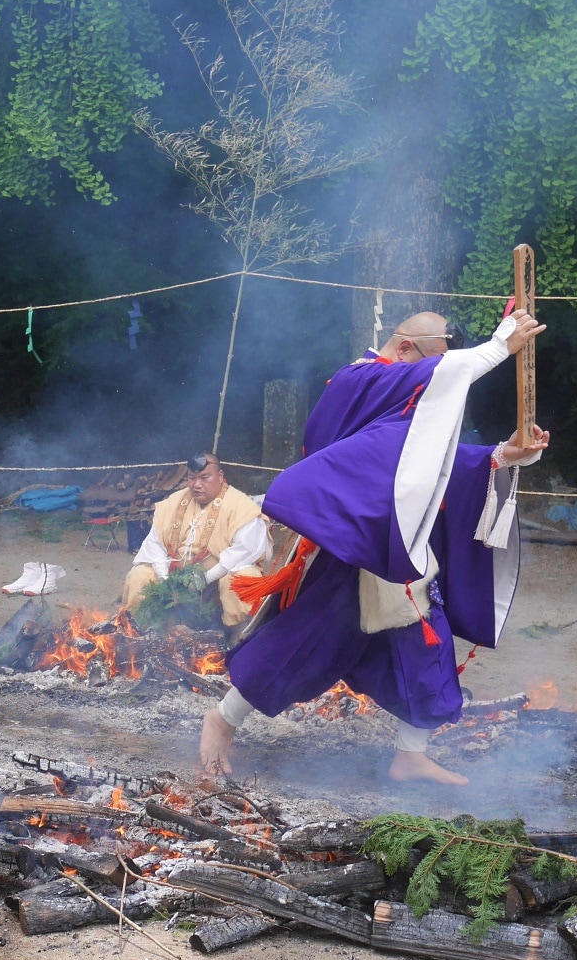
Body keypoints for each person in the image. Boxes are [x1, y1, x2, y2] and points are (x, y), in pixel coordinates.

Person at [199, 310, 549, 786]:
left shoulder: (398, 392)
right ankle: (222, 718)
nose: (434, 382)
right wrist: (493, 349)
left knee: (426, 641)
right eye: (432, 364)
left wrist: (499, 455)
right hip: (353, 539)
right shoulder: (358, 381)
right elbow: (395, 439)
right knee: (305, 640)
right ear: (405, 349)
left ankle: (410, 754)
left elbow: (420, 455)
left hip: (389, 541)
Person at [122, 453, 271, 631]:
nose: (196, 484)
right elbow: (155, 544)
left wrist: (206, 578)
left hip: (218, 578)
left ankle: (238, 638)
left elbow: (243, 553)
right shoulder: (173, 502)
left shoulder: (241, 506)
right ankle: (139, 633)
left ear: (221, 476)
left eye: (204, 478)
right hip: (175, 577)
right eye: (191, 478)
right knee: (140, 574)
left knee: (245, 577)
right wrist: (164, 578)